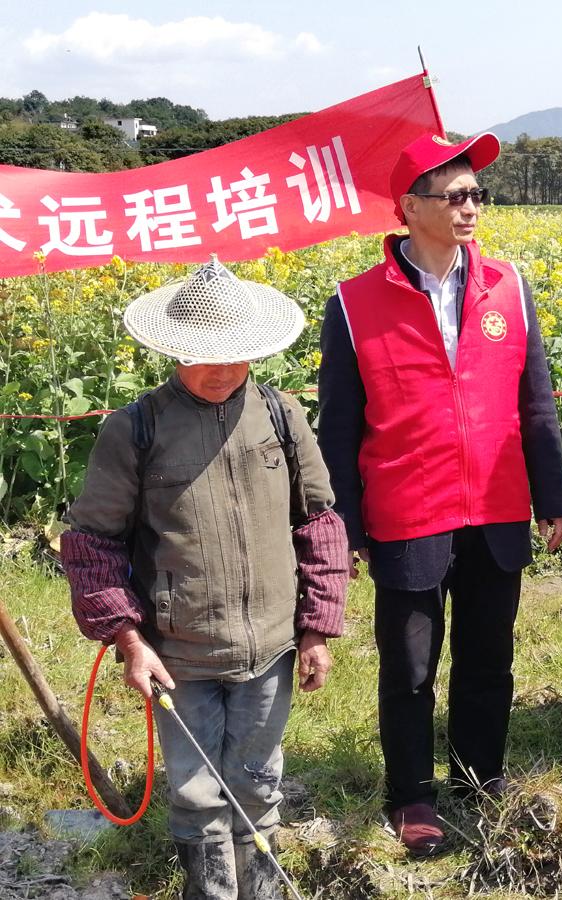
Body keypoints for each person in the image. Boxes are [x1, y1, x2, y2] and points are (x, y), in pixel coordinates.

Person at [61, 258, 349, 900]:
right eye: (202, 357)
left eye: (235, 357)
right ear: (173, 351)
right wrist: (130, 642)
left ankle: (263, 890)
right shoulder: (133, 429)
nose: (220, 372)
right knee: (194, 788)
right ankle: (210, 892)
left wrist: (317, 628)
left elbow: (320, 524)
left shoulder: (281, 416)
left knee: (256, 779)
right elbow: (91, 544)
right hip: (178, 653)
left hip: (270, 647)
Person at [317, 132, 562, 857]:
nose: (470, 207)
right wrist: (345, 524)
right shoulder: (356, 302)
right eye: (454, 195)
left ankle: (478, 777)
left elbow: (537, 400)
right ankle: (410, 794)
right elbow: (339, 426)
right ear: (409, 208)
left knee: (489, 660)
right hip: (408, 509)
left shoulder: (508, 286)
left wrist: (550, 494)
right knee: (410, 668)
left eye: (475, 194)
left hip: (495, 505)